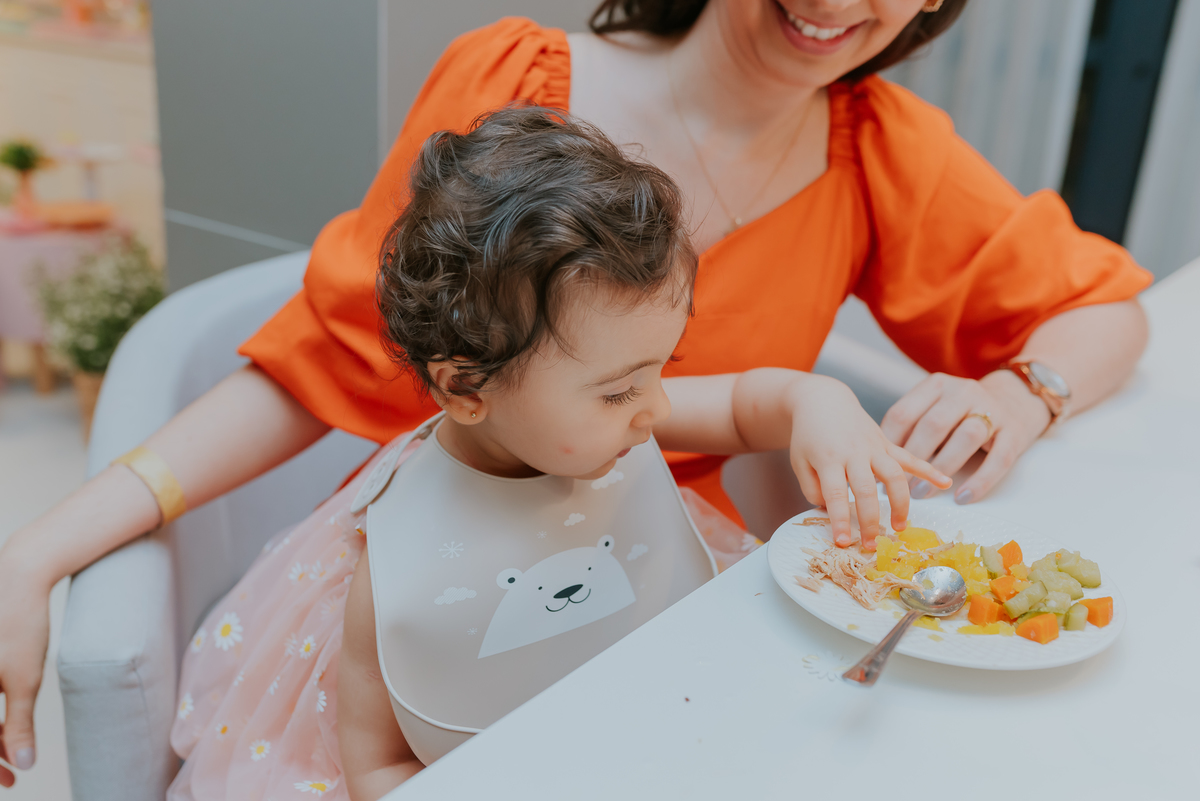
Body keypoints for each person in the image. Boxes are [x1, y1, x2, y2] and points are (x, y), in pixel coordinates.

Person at [0, 0, 1150, 789]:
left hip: (660, 589)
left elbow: (1109, 310)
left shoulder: (886, 150)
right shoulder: (515, 86)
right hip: (464, 590)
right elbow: (327, 359)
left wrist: (1024, 392)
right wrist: (43, 545)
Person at [168, 107, 947, 799]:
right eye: (617, 392)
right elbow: (375, 771)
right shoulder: (390, 573)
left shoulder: (618, 423)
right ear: (466, 388)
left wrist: (821, 403)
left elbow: (752, 404)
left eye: (663, 368)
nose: (658, 410)